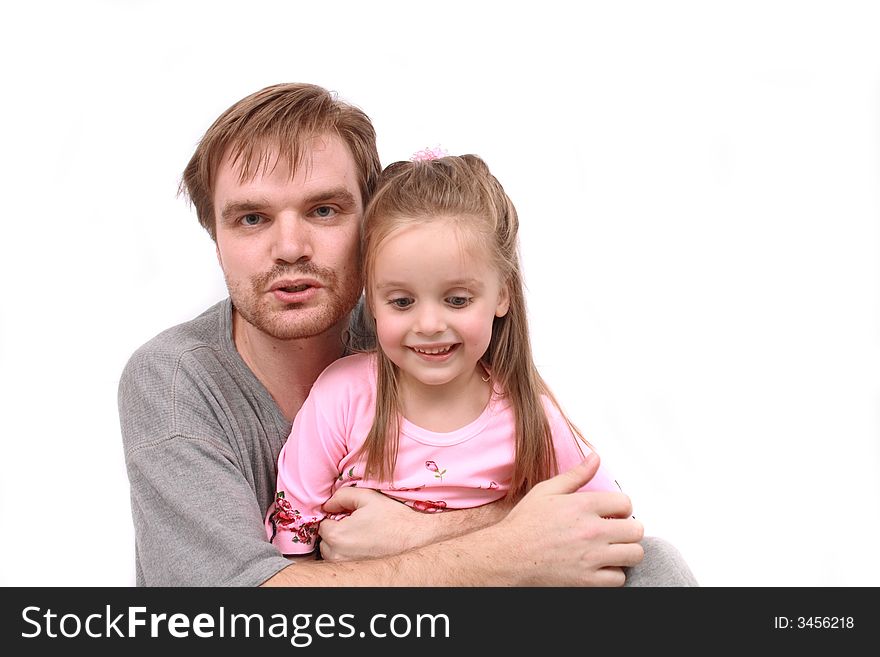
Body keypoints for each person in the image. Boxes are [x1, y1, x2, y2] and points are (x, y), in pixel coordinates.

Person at [118, 82, 697, 586]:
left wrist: (418, 532)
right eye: (252, 218)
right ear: (213, 236)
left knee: (652, 568)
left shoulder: (421, 334)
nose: (290, 248)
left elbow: (586, 515)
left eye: (323, 210)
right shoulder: (175, 382)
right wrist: (496, 547)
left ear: (373, 224)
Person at [266, 151, 624, 557]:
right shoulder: (342, 397)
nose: (430, 324)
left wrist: (428, 531)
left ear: (502, 294)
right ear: (372, 294)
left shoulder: (530, 417)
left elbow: (611, 522)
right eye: (402, 302)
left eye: (456, 300)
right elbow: (291, 540)